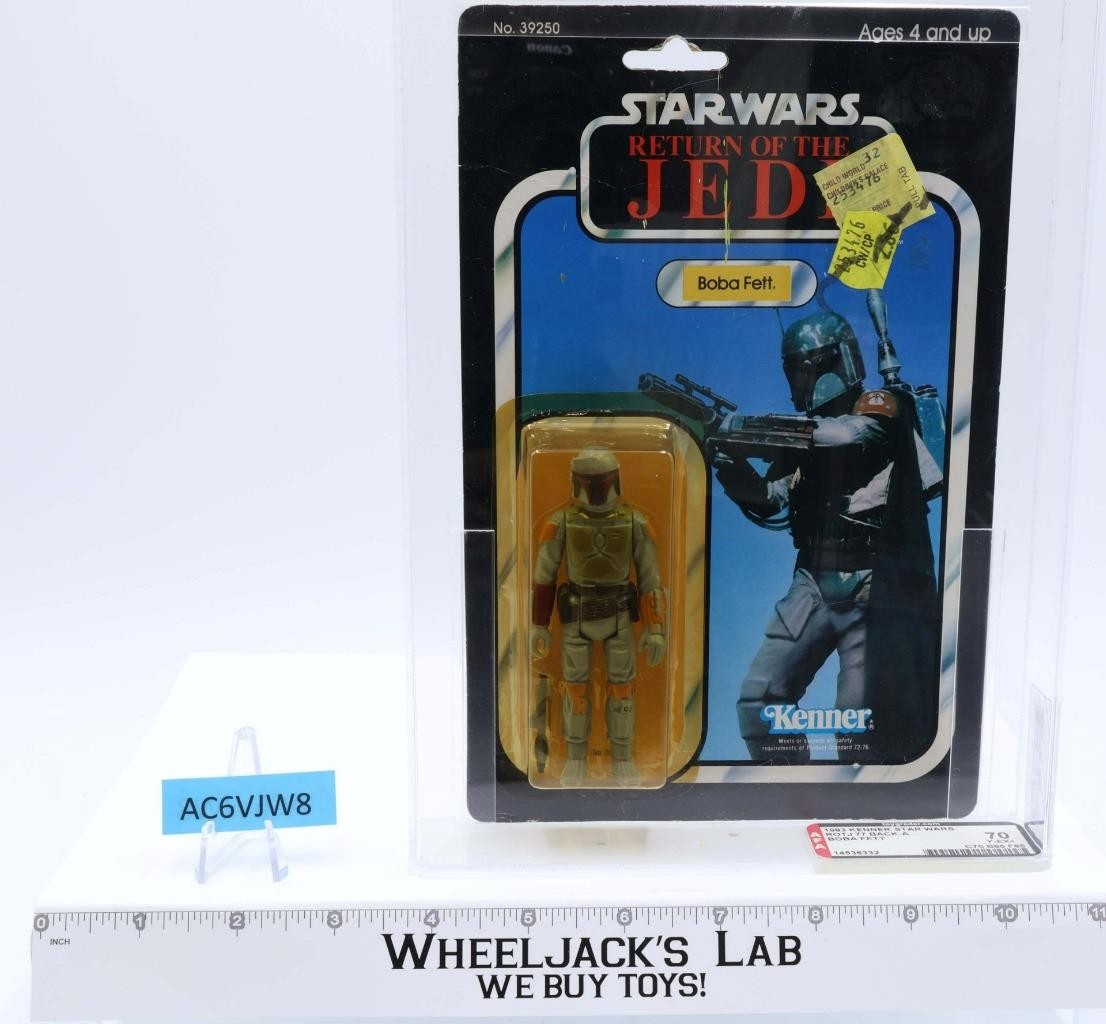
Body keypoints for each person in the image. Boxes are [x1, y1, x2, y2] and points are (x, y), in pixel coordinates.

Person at [713, 310, 943, 764]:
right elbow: (771, 500)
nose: (799, 381)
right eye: (793, 371)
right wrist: (729, 466)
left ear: (832, 363)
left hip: (874, 582)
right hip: (813, 581)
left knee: (860, 724)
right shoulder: (806, 434)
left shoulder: (878, 404)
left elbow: (848, 436)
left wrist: (748, 431)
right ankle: (788, 791)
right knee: (759, 703)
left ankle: (861, 801)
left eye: (805, 369)